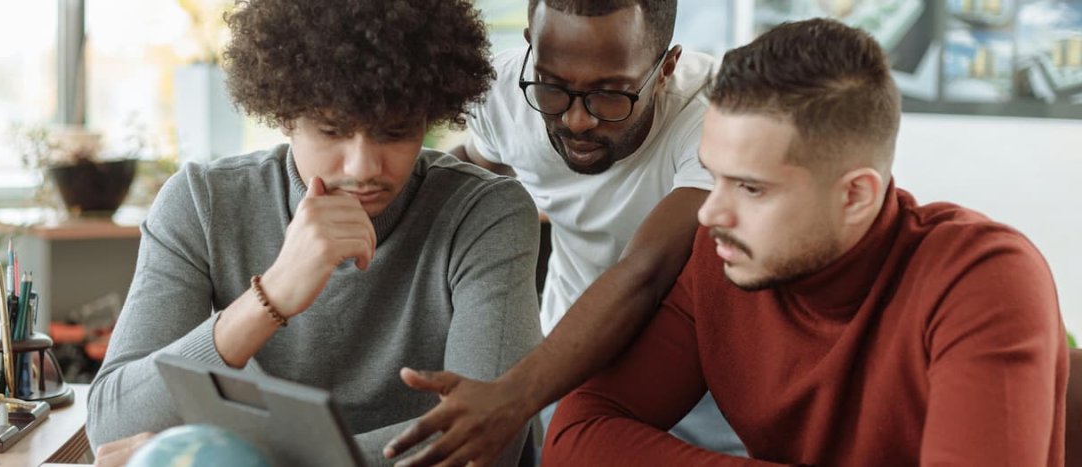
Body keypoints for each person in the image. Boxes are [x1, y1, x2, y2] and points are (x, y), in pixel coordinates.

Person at [542, 18, 1067, 465]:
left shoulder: (983, 276)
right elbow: (577, 436)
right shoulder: (721, 254)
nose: (711, 211)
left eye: (750, 187)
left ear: (856, 195)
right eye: (712, 176)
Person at [84, 0, 542, 465]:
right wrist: (274, 294)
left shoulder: (486, 213)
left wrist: (239, 458)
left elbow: (486, 444)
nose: (363, 167)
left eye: (396, 132)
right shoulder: (203, 202)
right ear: (284, 115)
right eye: (332, 130)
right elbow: (113, 429)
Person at [384, 1, 745, 464]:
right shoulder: (504, 92)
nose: (577, 120)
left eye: (611, 94)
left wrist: (512, 396)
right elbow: (474, 166)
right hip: (565, 363)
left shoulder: (717, 116)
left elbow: (645, 273)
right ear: (532, 48)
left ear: (666, 67)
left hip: (701, 383)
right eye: (554, 88)